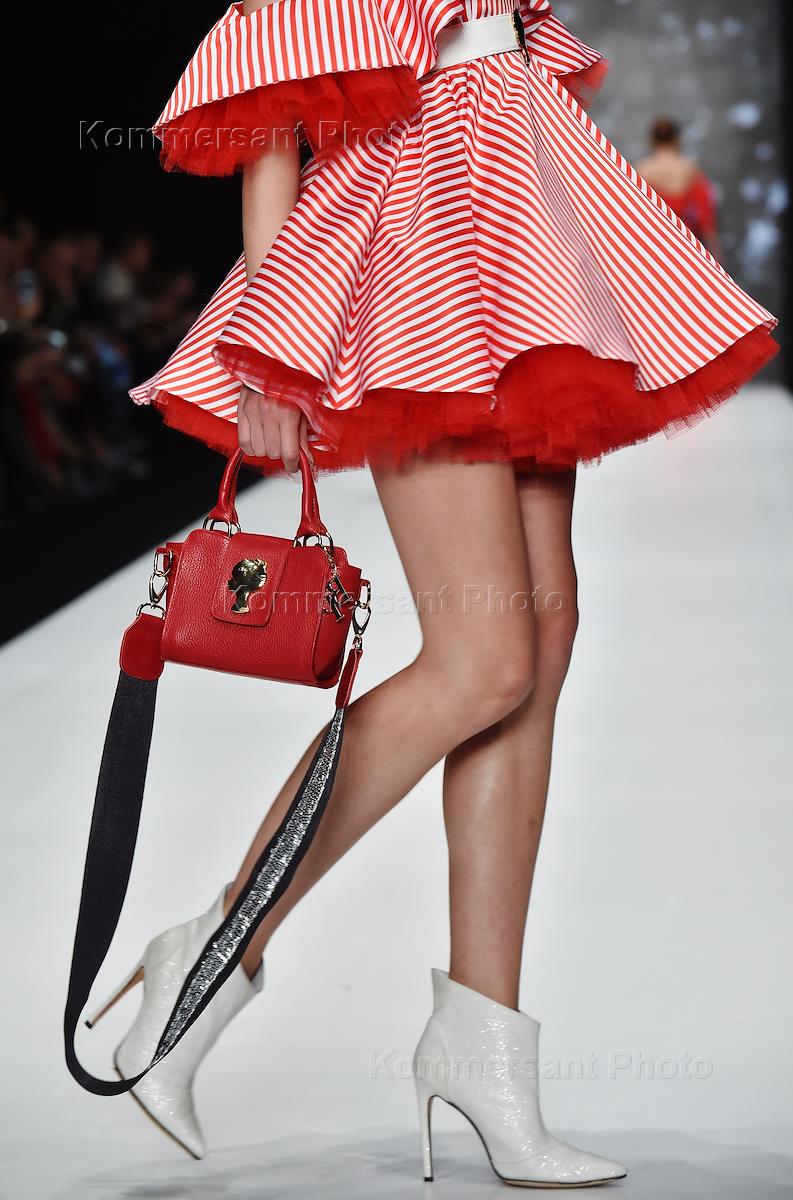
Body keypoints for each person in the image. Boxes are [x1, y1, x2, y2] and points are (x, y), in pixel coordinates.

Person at [89, 0, 777, 1186]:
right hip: (410, 237)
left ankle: (482, 1049)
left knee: (540, 644)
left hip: (525, 207)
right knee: (482, 660)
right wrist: (272, 339)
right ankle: (210, 953)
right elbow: (275, 90)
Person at [637, 116, 721, 257]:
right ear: (677, 139)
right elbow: (706, 218)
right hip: (688, 245)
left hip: (653, 245)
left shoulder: (642, 170)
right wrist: (716, 255)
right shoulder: (690, 169)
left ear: (652, 140)